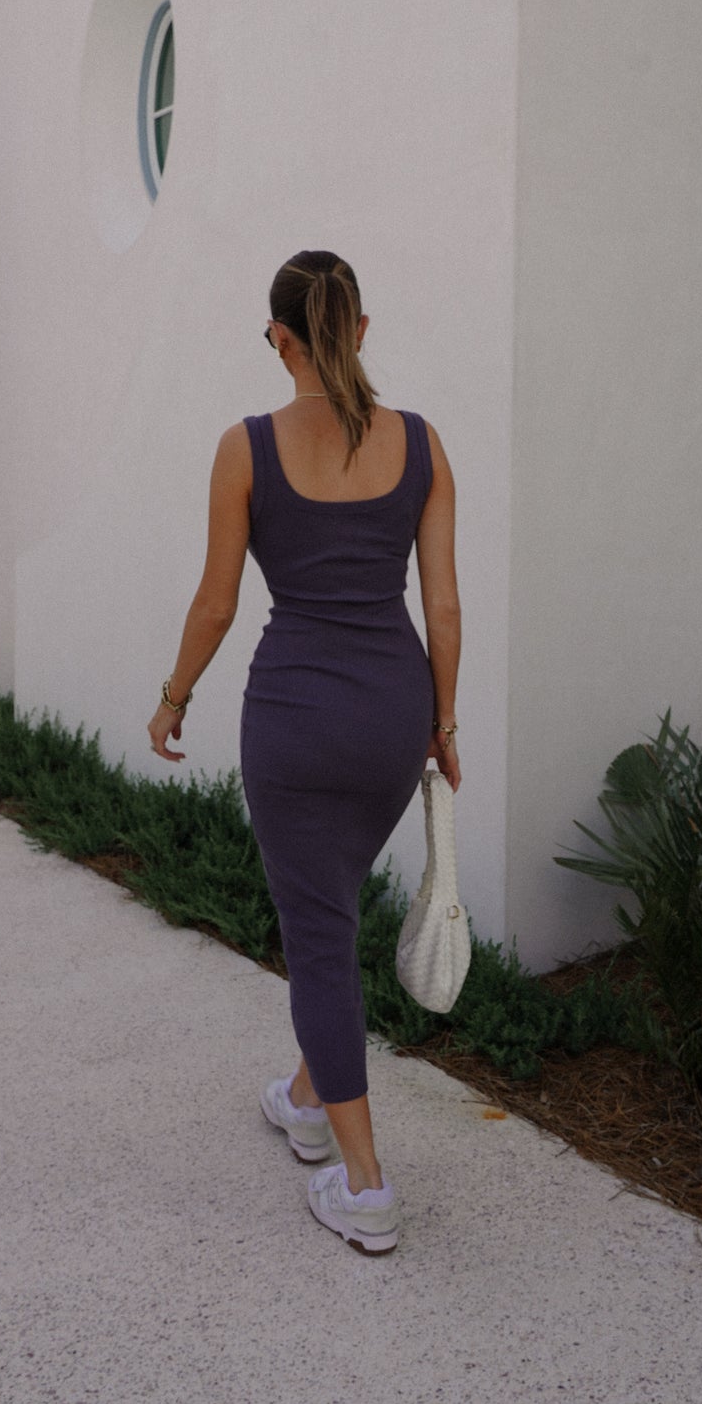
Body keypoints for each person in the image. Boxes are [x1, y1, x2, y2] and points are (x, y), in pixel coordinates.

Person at [146, 249, 461, 1256]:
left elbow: (215, 601)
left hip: (292, 718)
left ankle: (364, 1188)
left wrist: (171, 697)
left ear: (278, 340)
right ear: (358, 330)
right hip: (388, 718)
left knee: (319, 941)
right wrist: (442, 725)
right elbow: (442, 605)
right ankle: (304, 1095)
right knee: (328, 917)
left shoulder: (244, 448)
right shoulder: (419, 444)